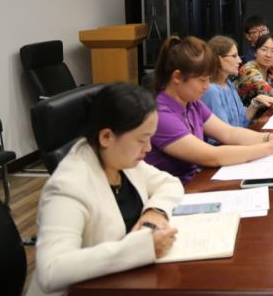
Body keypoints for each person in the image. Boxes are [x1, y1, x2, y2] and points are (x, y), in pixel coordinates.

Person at [30, 83, 183, 296]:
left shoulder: (121, 159)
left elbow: (170, 183)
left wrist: (154, 213)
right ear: (106, 137)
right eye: (142, 140)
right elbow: (51, 271)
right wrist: (141, 249)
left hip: (124, 281)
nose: (148, 148)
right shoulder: (67, 187)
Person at [145, 35, 273, 184]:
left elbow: (228, 133)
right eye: (202, 80)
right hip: (177, 192)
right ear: (177, 77)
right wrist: (270, 147)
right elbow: (211, 156)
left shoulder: (192, 104)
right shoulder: (162, 115)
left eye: (208, 79)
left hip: (194, 183)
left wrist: (270, 137)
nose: (207, 86)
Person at [203, 36, 273, 135]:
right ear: (218, 59)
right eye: (234, 56)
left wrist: (256, 102)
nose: (239, 60)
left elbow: (242, 121)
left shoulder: (228, 83)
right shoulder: (211, 91)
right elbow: (223, 135)